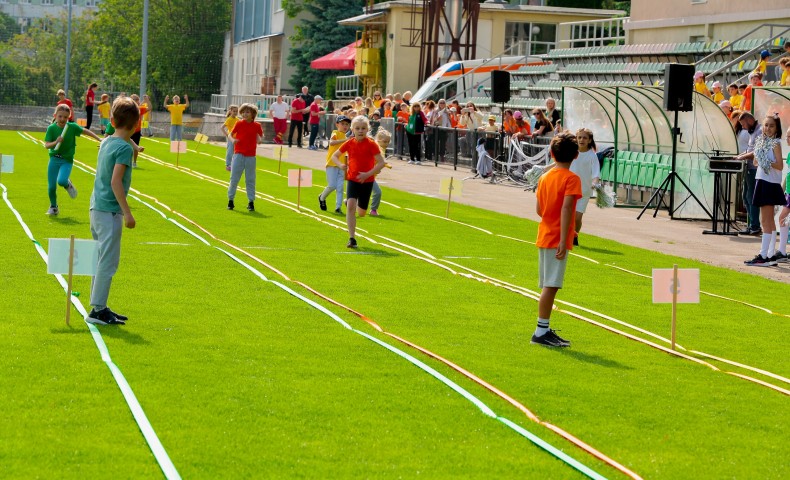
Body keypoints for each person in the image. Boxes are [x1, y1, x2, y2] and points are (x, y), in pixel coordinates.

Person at [86, 96, 141, 325]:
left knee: (100, 259)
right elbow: (116, 182)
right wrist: (127, 212)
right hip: (109, 211)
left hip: (96, 207)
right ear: (137, 124)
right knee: (108, 262)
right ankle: (97, 310)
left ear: (111, 119)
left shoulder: (107, 141)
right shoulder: (123, 148)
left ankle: (99, 305)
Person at [531, 131, 582, 347]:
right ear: (576, 155)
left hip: (545, 233)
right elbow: (567, 207)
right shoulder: (571, 179)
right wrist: (564, 238)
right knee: (551, 286)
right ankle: (541, 331)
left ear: (551, 154)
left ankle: (544, 329)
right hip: (556, 237)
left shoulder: (545, 177)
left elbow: (539, 210)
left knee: (548, 284)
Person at [330, 115, 385, 248]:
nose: (360, 131)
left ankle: (348, 201)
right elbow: (335, 156)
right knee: (350, 207)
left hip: (367, 181)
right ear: (353, 129)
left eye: (363, 128)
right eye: (357, 128)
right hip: (352, 179)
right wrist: (340, 165)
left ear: (367, 129)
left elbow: (382, 163)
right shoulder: (349, 143)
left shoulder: (371, 144)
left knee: (361, 213)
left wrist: (368, 174)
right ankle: (352, 238)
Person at [737, 114, 785, 266]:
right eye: (766, 125)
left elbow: (779, 165)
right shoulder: (762, 141)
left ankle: (764, 255)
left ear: (776, 128)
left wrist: (766, 160)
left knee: (765, 221)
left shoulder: (775, 143)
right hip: (762, 180)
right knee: (768, 221)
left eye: (771, 126)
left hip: (769, 183)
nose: (768, 128)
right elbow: (757, 162)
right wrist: (759, 158)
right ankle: (769, 255)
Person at [43, 104, 102, 215]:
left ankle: (67, 184)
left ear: (68, 117)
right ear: (55, 115)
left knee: (61, 181)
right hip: (54, 160)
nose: (62, 119)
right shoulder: (51, 128)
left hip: (66, 160)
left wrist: (99, 139)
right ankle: (54, 207)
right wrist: (56, 142)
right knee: (51, 187)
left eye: (65, 117)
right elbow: (46, 145)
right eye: (60, 116)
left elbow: (85, 131)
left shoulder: (71, 127)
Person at [227, 103, 263, 212]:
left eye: (247, 112)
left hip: (251, 156)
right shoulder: (239, 123)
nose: (244, 114)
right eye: (243, 112)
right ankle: (231, 200)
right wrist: (233, 140)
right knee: (234, 178)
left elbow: (260, 136)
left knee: (250, 179)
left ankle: (251, 202)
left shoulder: (257, 125)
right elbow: (230, 134)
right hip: (238, 154)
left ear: (253, 114)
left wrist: (259, 140)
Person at [737, 112, 763, 235]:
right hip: (749, 167)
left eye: (743, 124)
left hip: (754, 169)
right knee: (745, 197)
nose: (743, 127)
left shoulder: (760, 131)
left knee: (751, 197)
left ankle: (755, 226)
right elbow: (749, 150)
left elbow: (755, 153)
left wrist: (740, 158)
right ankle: (751, 225)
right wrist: (738, 156)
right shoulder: (752, 132)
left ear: (749, 120)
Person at [318, 115, 350, 214]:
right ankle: (322, 197)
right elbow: (331, 142)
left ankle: (338, 207)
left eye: (347, 124)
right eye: (342, 124)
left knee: (340, 187)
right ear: (337, 124)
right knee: (332, 185)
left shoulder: (346, 137)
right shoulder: (335, 133)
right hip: (332, 163)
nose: (345, 126)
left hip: (341, 165)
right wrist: (345, 140)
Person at [774, 126, 790, 262]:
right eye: (787, 136)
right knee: (783, 219)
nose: (787, 139)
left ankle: (782, 251)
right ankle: (782, 250)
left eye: (789, 137)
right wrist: (783, 189)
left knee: (782, 219)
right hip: (789, 192)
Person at [370, 128, 392, 217]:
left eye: (388, 142)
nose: (386, 144)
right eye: (384, 141)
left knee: (364, 192)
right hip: (368, 175)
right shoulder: (377, 148)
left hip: (371, 175)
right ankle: (373, 210)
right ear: (378, 140)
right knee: (377, 192)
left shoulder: (381, 148)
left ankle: (349, 202)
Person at [129, 94, 148, 168]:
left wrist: (147, 100)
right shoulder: (128, 108)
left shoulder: (139, 108)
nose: (136, 101)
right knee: (127, 147)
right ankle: (126, 161)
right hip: (129, 130)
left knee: (136, 147)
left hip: (137, 130)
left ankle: (134, 162)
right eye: (134, 99)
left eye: (137, 100)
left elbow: (149, 107)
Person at [222, 104, 240, 172]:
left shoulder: (238, 120)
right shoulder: (229, 119)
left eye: (236, 111)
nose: (235, 112)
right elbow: (222, 127)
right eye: (234, 111)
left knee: (236, 151)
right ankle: (228, 165)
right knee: (230, 151)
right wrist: (227, 135)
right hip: (231, 138)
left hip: (237, 138)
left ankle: (234, 164)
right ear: (230, 111)